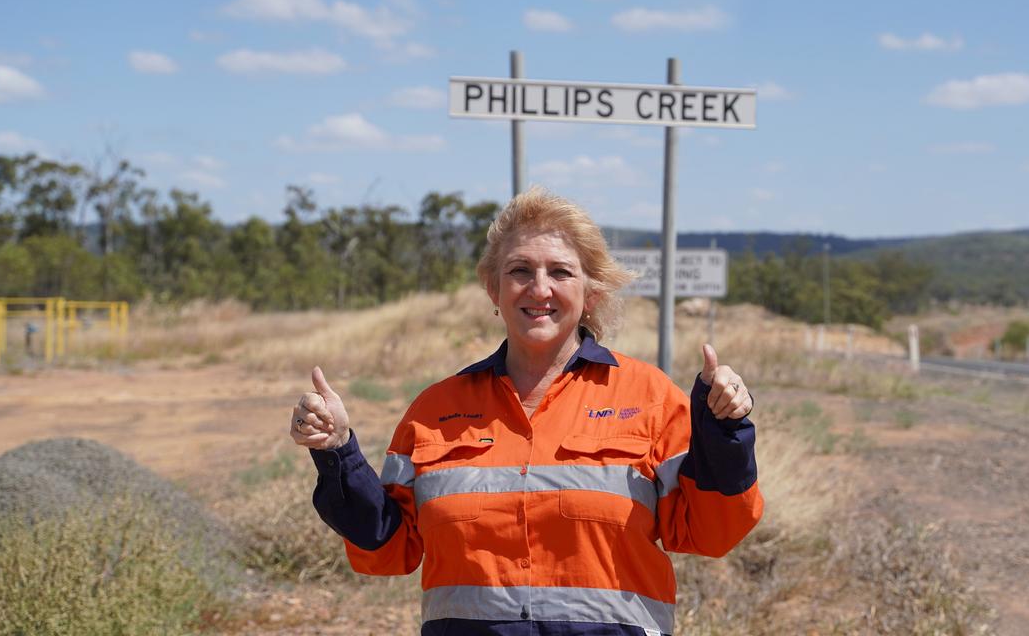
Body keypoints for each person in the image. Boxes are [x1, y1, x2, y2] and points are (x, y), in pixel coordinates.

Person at [290, 187, 762, 635]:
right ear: (494, 289)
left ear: (590, 293)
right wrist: (337, 453)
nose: (539, 289)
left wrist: (725, 430)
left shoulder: (650, 396)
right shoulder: (434, 410)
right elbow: (387, 549)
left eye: (560, 272)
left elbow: (711, 532)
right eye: (519, 271)